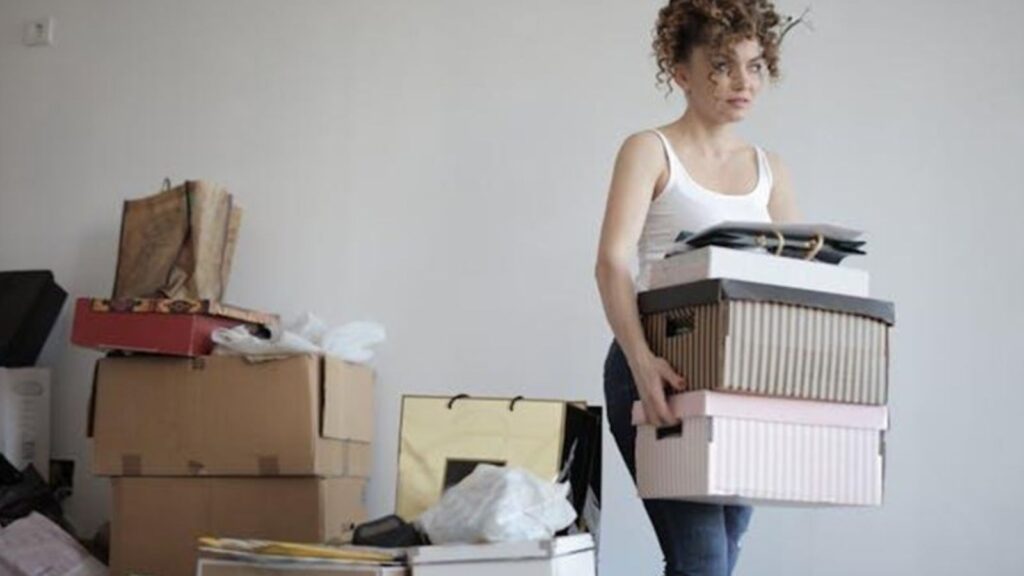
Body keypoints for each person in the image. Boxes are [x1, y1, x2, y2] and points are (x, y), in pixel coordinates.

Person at [594, 1, 801, 574]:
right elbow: (613, 264)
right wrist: (641, 365)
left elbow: (789, 283)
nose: (743, 82)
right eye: (721, 65)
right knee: (704, 560)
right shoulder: (649, 150)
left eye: (755, 65)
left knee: (715, 559)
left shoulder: (771, 170)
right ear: (680, 73)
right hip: (659, 363)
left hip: (740, 376)